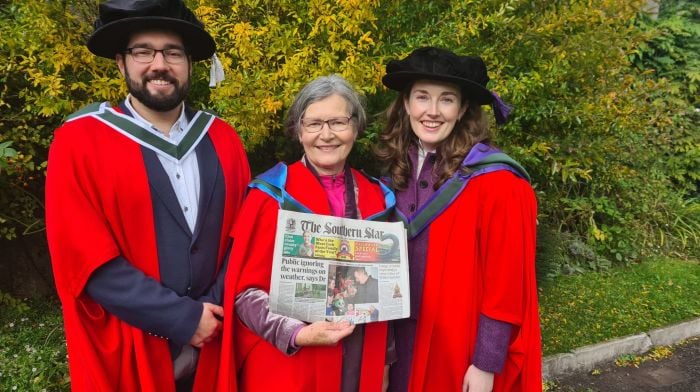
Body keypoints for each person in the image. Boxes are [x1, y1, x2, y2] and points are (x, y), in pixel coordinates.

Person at [44, 1, 250, 391]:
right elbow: (83, 258)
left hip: (217, 338)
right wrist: (182, 319)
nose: (160, 64)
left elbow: (244, 237)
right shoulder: (79, 141)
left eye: (173, 52)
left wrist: (212, 313)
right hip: (131, 342)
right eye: (144, 52)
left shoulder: (223, 138)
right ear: (121, 63)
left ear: (189, 63)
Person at [375, 47, 541, 392]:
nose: (432, 112)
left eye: (446, 100)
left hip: (456, 349)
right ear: (406, 104)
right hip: (396, 345)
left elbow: (506, 286)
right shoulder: (395, 172)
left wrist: (486, 363)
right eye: (422, 97)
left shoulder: (497, 183)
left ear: (463, 108)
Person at [215, 75, 396, 391]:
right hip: (290, 364)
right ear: (299, 131)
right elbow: (244, 295)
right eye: (313, 124)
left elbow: (388, 295)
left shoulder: (377, 197)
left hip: (359, 358)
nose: (326, 135)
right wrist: (296, 333)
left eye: (338, 122)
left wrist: (384, 362)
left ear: (356, 127)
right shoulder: (271, 195)